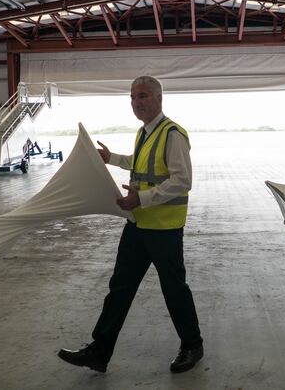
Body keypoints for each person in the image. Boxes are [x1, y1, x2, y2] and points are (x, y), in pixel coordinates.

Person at [58, 76, 203, 373]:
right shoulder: (144, 133)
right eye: (133, 98)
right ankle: (99, 351)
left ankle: (192, 345)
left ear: (159, 99)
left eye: (143, 96)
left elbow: (182, 181)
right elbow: (139, 163)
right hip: (138, 225)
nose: (137, 103)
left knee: (173, 289)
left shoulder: (172, 134)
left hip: (164, 228)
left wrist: (143, 199)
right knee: (120, 288)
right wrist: (111, 158)